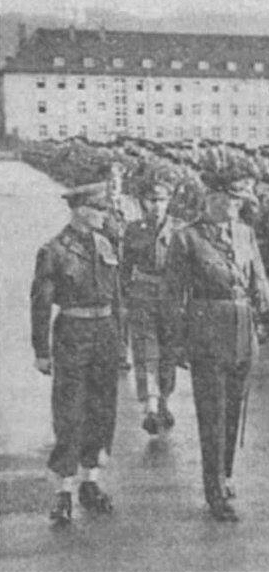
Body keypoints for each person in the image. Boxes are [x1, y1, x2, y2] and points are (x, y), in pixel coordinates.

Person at [164, 181, 269, 522]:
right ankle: (214, 491)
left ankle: (225, 476)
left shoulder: (244, 233)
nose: (234, 206)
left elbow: (257, 279)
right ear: (211, 199)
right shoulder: (186, 238)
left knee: (233, 412)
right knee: (212, 415)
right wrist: (177, 341)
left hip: (242, 332)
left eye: (238, 200)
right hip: (207, 332)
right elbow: (172, 294)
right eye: (228, 199)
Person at [31, 182, 122, 524]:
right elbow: (40, 303)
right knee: (70, 412)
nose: (103, 215)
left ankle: (91, 481)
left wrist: (120, 338)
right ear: (80, 210)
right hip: (72, 333)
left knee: (102, 408)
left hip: (105, 333)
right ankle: (64, 489)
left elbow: (117, 297)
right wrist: (41, 350)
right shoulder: (54, 250)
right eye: (98, 209)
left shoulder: (106, 244)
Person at [122, 175, 183, 435]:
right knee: (146, 350)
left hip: (171, 297)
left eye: (162, 200)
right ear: (143, 202)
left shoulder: (180, 229)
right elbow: (125, 268)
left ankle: (164, 401)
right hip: (143, 295)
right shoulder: (134, 229)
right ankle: (151, 404)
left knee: (168, 352)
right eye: (152, 200)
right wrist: (125, 298)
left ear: (169, 202)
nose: (157, 205)